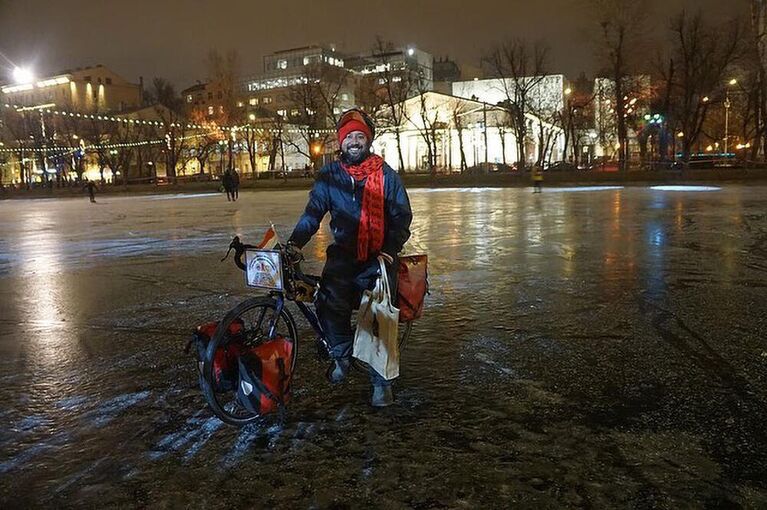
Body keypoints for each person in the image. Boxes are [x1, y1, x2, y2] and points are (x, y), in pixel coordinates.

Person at [288, 108, 412, 407]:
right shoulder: (329, 176)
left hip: (379, 256)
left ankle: (381, 382)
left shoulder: (386, 175)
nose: (354, 142)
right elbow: (313, 214)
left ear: (367, 140)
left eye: (360, 136)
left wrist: (390, 249)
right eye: (349, 137)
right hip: (344, 255)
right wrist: (294, 243)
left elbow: (401, 217)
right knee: (329, 302)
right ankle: (341, 357)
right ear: (340, 142)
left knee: (380, 317)